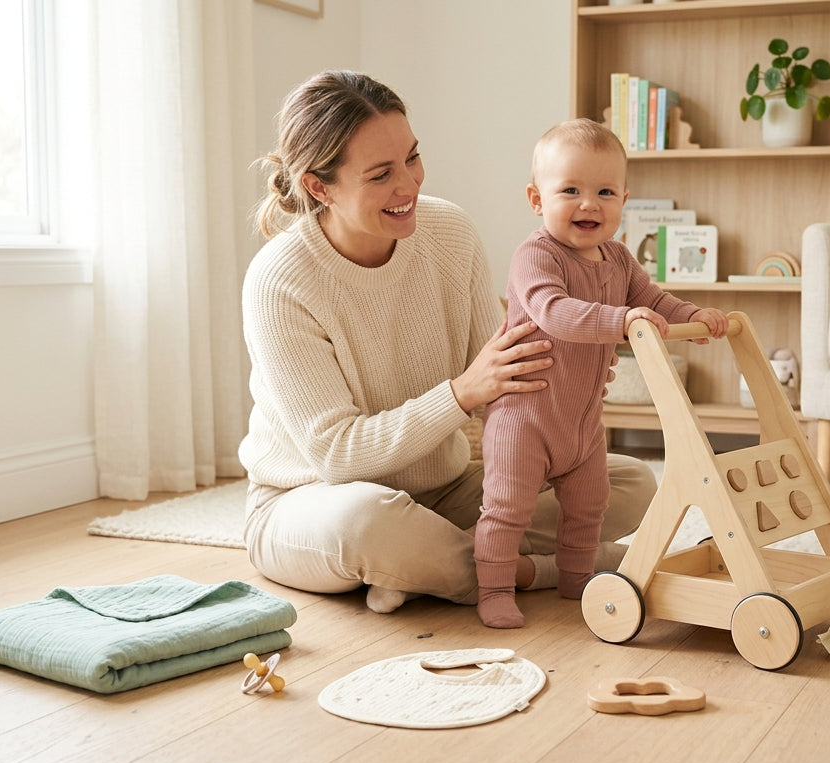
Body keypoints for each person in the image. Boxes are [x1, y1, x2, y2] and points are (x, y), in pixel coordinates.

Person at [239, 71, 659, 616]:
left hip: (444, 488)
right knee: (370, 522)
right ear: (320, 187)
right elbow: (337, 456)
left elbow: (503, 375)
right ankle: (540, 571)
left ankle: (425, 572)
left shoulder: (449, 231)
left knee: (626, 481)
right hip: (311, 500)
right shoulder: (280, 279)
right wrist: (460, 394)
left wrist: (557, 382)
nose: (408, 185)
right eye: (381, 174)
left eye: (412, 158)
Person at [474, 118, 730, 629]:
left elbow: (651, 299)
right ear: (536, 198)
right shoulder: (536, 255)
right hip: (525, 417)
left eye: (605, 191)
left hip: (583, 421)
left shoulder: (617, 258)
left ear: (623, 200)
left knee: (590, 504)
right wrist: (622, 321)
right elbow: (555, 312)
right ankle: (495, 588)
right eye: (570, 190)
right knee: (507, 510)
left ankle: (576, 581)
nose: (589, 203)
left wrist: (689, 316)